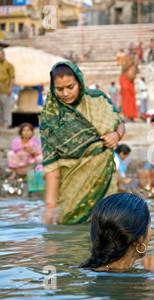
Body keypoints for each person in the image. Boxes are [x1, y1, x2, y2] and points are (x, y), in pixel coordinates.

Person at [40, 61, 125, 225]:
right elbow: (51, 164)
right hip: (72, 189)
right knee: (73, 241)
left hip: (104, 180)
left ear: (79, 82)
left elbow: (120, 122)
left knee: (107, 231)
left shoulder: (98, 100)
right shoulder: (50, 117)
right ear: (53, 88)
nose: (65, 93)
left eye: (70, 87)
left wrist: (117, 134)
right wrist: (50, 207)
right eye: (59, 89)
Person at [79, 193, 154, 273]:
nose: (151, 231)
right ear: (139, 238)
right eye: (149, 226)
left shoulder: (87, 270)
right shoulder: (137, 282)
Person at [120, 43, 139, 121]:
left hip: (131, 80)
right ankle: (126, 115)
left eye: (136, 49)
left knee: (132, 97)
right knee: (126, 97)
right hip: (125, 78)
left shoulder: (135, 58)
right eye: (133, 49)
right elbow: (123, 69)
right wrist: (131, 62)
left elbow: (136, 69)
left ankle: (132, 116)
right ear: (130, 49)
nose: (135, 50)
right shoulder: (126, 57)